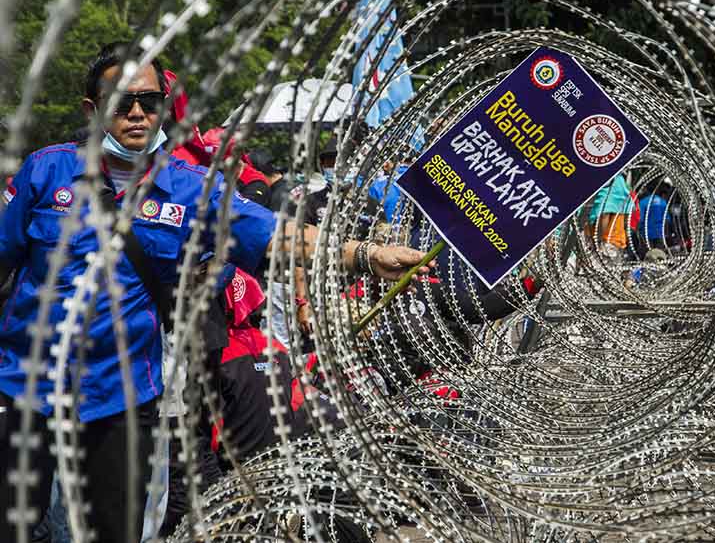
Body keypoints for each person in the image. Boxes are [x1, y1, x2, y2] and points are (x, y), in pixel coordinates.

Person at [0, 42, 434, 542]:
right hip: (24, 390)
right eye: (121, 102)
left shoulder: (193, 189)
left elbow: (279, 235)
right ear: (92, 109)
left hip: (119, 402)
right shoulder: (45, 171)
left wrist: (366, 255)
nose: (137, 113)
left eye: (150, 101)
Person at [637, 185, 672, 256]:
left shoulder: (643, 202)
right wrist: (666, 232)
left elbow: (641, 219)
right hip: (659, 232)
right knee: (660, 254)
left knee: (649, 255)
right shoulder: (662, 202)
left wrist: (638, 230)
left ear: (647, 190)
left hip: (647, 232)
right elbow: (667, 218)